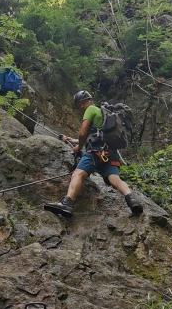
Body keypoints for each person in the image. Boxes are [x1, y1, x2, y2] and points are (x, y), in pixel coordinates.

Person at [45, 90, 144, 218]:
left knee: (78, 173)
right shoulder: (103, 116)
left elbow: (82, 133)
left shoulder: (91, 109)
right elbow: (91, 136)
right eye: (79, 104)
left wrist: (78, 148)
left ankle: (67, 203)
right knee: (114, 178)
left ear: (90, 101)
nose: (81, 106)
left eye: (83, 102)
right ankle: (132, 200)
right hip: (110, 152)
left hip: (96, 150)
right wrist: (69, 139)